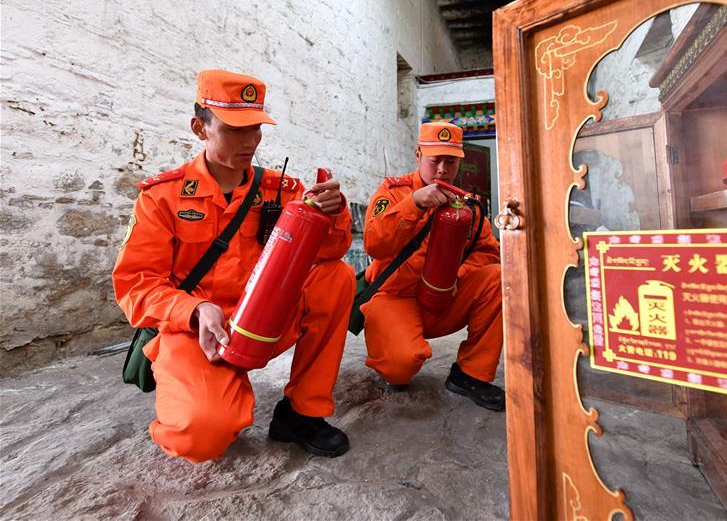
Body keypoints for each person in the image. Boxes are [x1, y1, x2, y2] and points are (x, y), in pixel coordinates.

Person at [112, 69, 355, 462]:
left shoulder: (283, 190)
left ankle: (301, 412)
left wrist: (335, 212)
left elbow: (330, 252)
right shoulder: (163, 197)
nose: (250, 142)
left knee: (336, 276)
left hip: (265, 319)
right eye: (234, 130)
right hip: (196, 331)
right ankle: (199, 394)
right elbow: (135, 285)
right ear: (199, 128)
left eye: (256, 129)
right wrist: (194, 310)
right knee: (200, 439)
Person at [361, 122, 504, 411]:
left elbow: (488, 252)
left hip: (442, 298)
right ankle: (393, 348)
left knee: (499, 279)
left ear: (459, 162)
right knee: (400, 367)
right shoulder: (393, 193)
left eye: (450, 161)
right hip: (394, 298)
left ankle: (470, 374)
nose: (441, 169)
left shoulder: (469, 207)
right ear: (418, 155)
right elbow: (374, 244)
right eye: (434, 159)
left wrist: (457, 277)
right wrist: (413, 204)